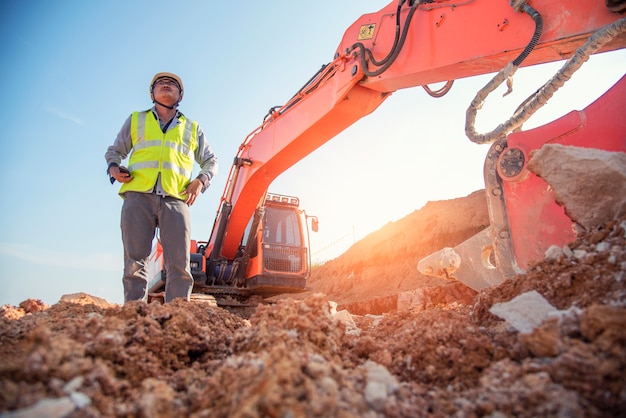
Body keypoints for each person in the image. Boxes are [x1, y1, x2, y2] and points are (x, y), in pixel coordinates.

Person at [105, 72, 218, 303]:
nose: (166, 85)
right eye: (160, 83)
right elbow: (114, 152)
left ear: (180, 95)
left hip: (176, 199)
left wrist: (201, 181)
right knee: (135, 261)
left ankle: (177, 316)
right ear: (152, 93)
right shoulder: (137, 119)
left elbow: (211, 161)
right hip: (138, 196)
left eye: (172, 84)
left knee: (179, 263)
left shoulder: (192, 128)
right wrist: (114, 168)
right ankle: (134, 314)